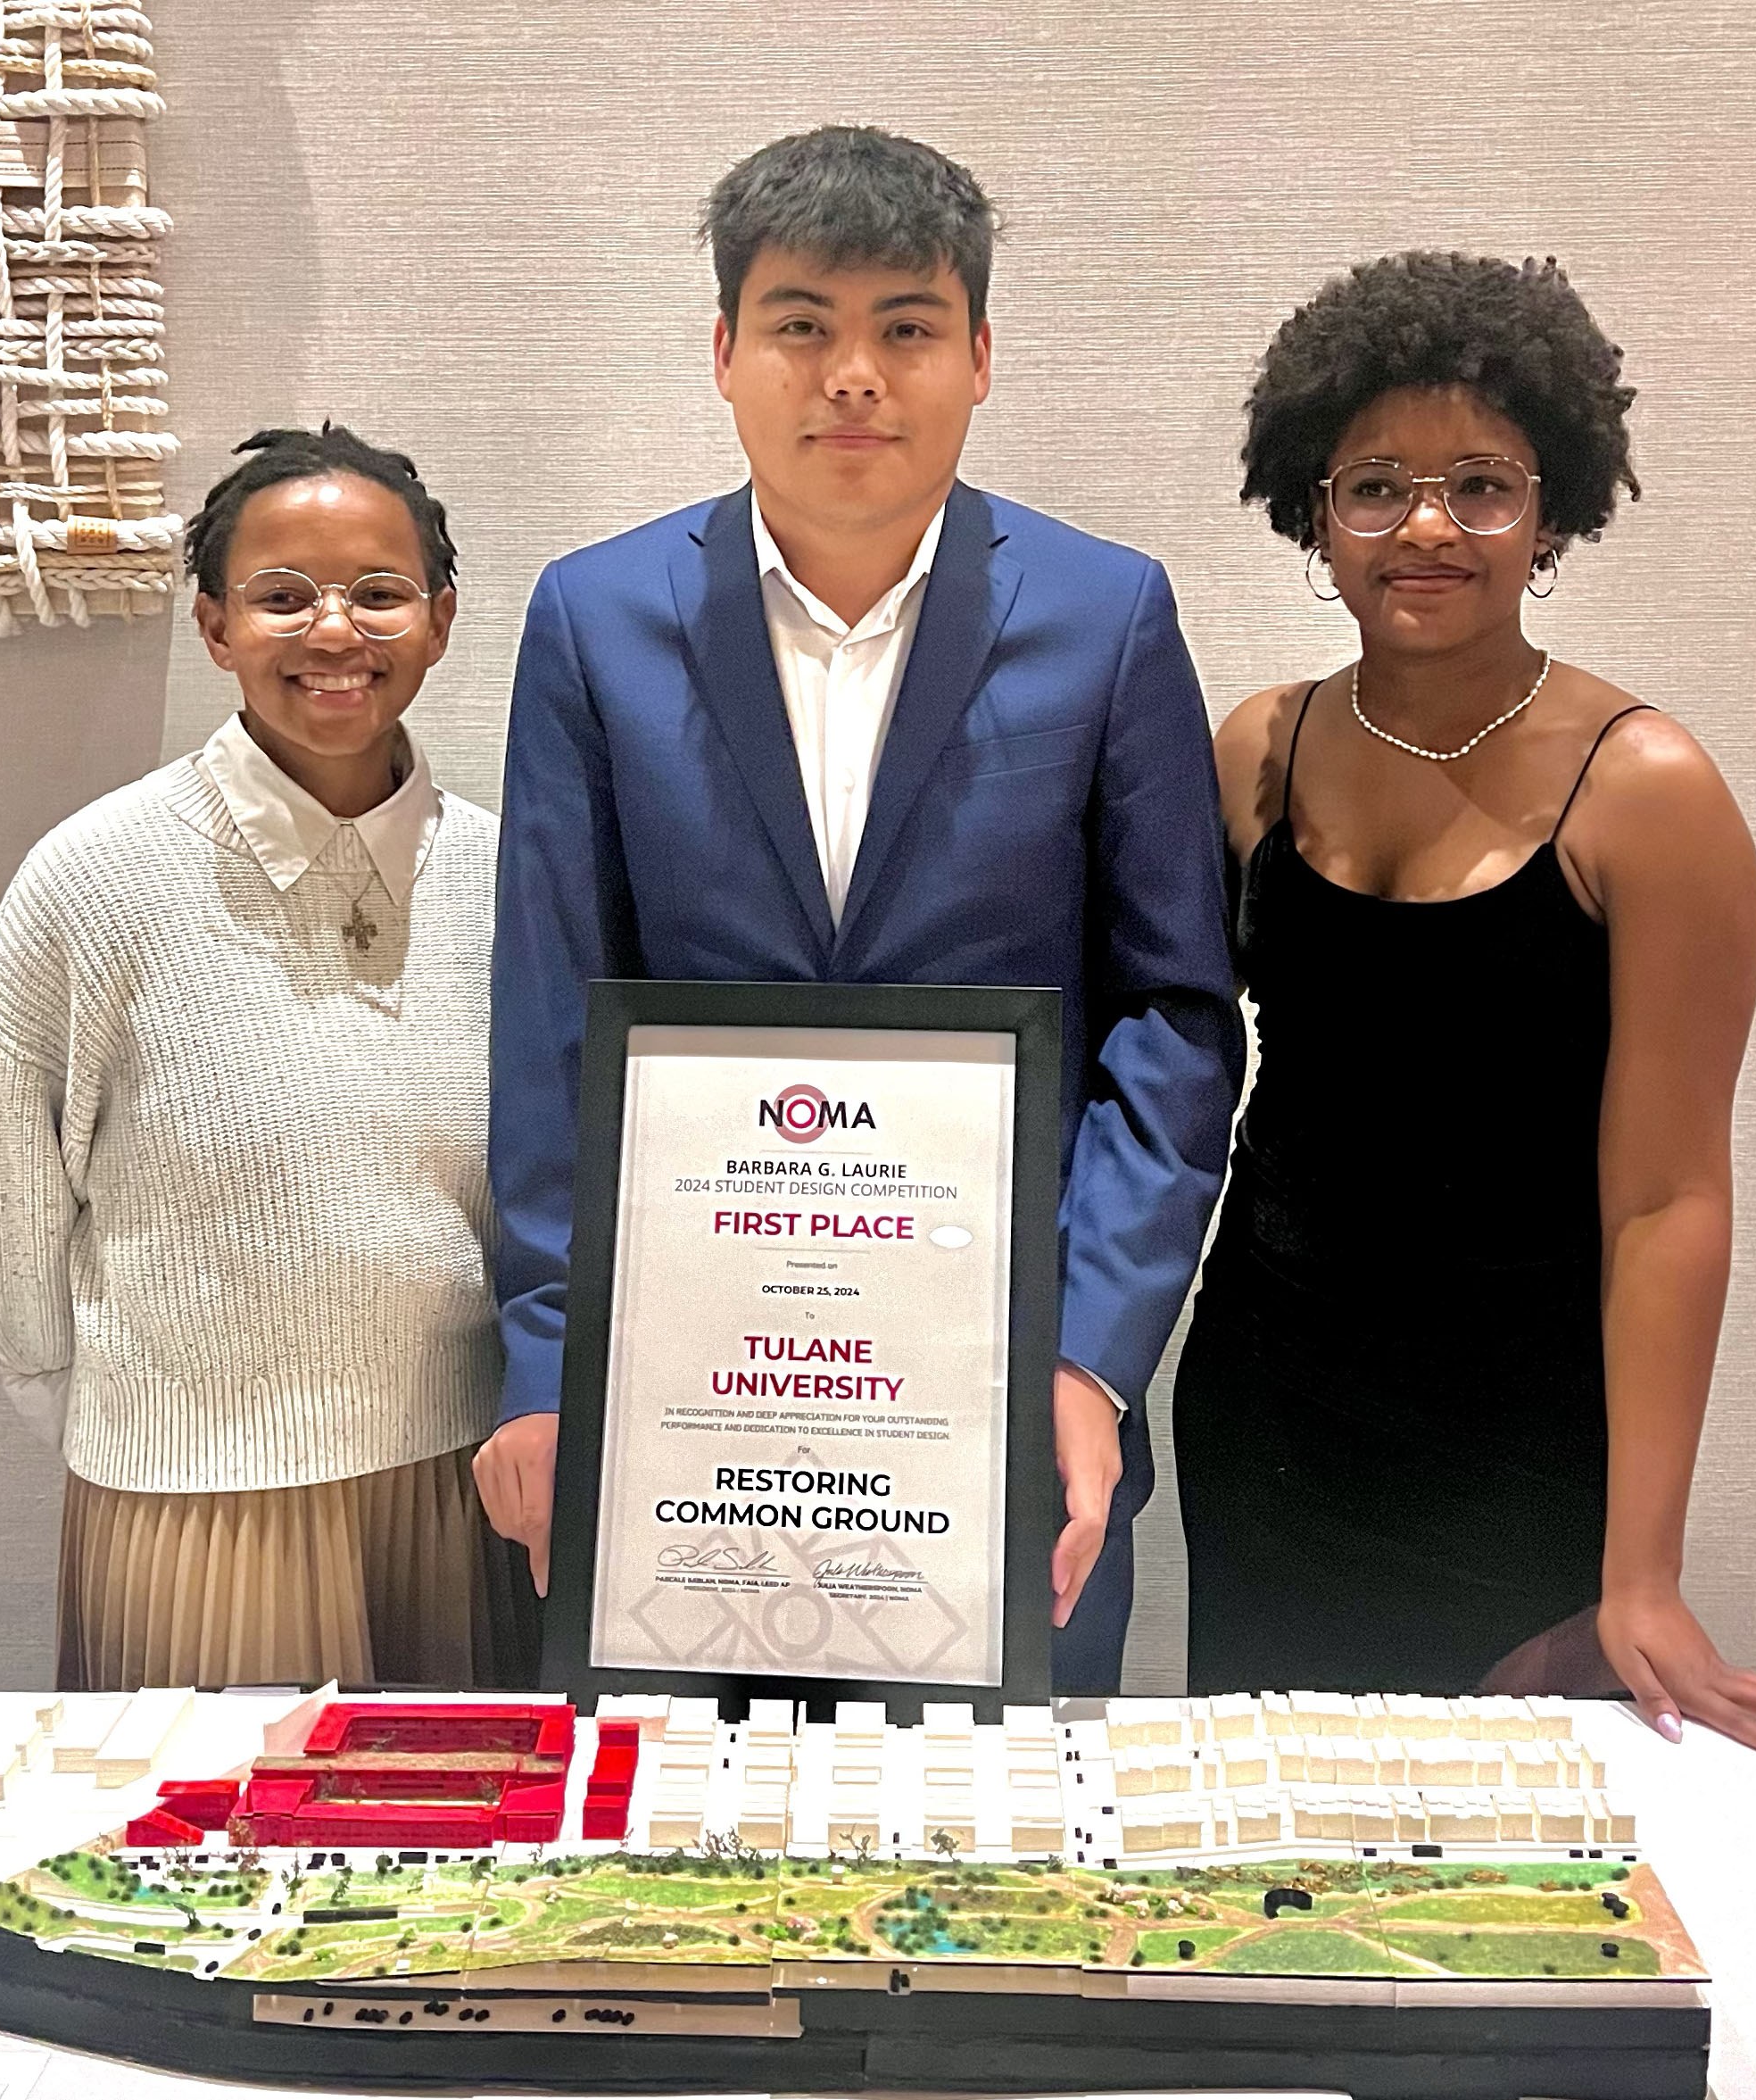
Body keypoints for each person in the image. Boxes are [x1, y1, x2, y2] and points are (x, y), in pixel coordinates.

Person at [480, 125, 1243, 1692]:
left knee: (997, 1880)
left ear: (979, 354)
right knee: (679, 1878)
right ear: (724, 351)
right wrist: (550, 1364)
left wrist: (1093, 1354)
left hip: (1013, 1392)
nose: (853, 375)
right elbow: (554, 1015)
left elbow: (1175, 1016)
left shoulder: (1109, 618)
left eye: (905, 327)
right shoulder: (594, 618)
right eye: (801, 324)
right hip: (678, 1407)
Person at [1176, 251, 1756, 1761]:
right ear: (1312, 509)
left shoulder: (1649, 791)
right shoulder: (1256, 753)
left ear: (1553, 514)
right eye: (1376, 485)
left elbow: (1669, 1199)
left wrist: (1644, 1572)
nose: (1428, 524)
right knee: (1264, 1849)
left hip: (1518, 1451)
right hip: (1266, 1413)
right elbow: (1155, 1061)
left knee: (1496, 1894)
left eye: (1482, 484)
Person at [0, 425, 510, 1692]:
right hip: (196, 1497)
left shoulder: (510, 875)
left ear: (442, 618)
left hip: (461, 1487)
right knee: (201, 1867)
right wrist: (103, 1405)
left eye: (380, 593)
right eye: (282, 597)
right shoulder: (96, 876)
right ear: (214, 626)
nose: (335, 631)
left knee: (455, 1871)